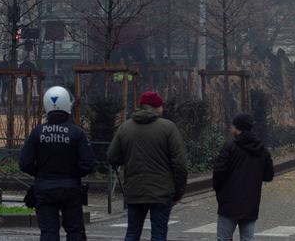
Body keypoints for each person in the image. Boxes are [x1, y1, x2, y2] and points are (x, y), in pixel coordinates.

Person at [107, 92, 188, 241]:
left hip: (135, 190)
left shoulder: (125, 127)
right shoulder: (168, 128)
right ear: (157, 107)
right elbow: (180, 163)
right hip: (162, 192)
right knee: (158, 233)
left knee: (132, 232)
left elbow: (112, 157)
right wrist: (178, 192)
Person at [19, 86, 96, 241]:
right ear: (68, 105)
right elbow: (89, 163)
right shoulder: (77, 133)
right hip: (71, 189)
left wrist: (40, 172)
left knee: (48, 233)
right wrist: (74, 173)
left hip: (44, 188)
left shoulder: (37, 132)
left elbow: (24, 163)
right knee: (75, 232)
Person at [213, 113, 275, 241]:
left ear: (238, 129)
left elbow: (219, 173)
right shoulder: (262, 150)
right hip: (251, 203)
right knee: (248, 238)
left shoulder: (230, 147)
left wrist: (220, 193)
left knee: (223, 238)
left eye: (233, 127)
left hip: (228, 203)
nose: (231, 129)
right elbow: (269, 175)